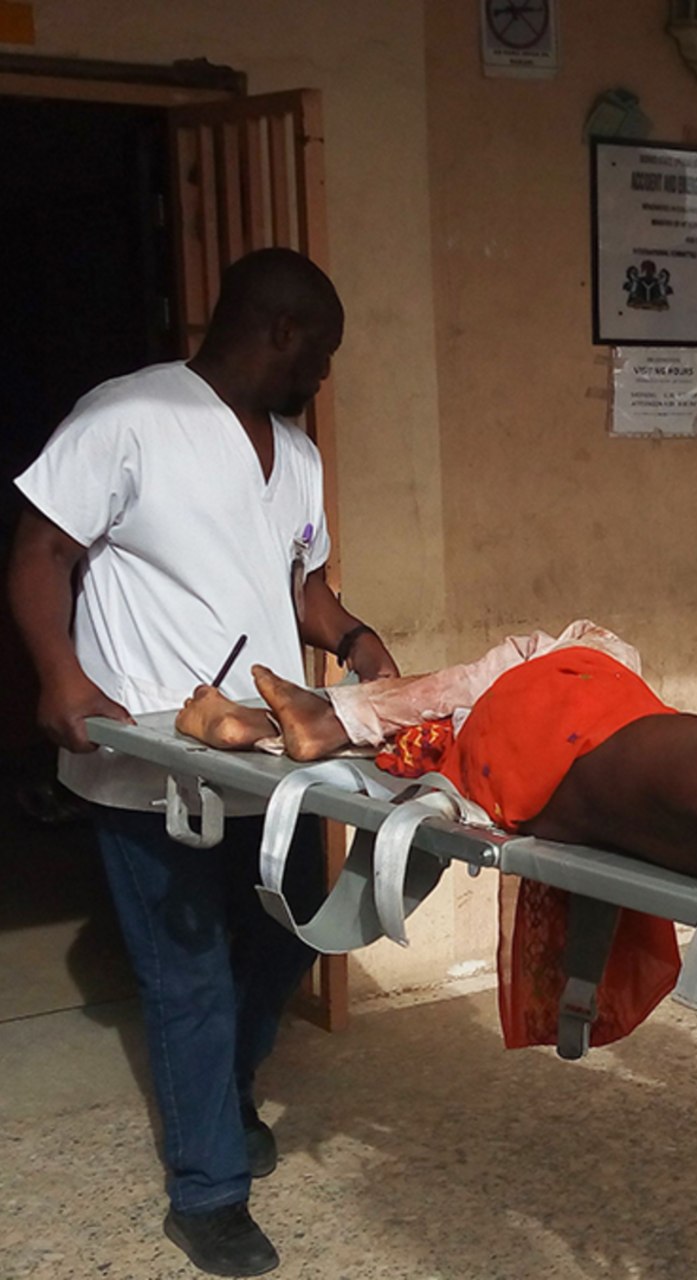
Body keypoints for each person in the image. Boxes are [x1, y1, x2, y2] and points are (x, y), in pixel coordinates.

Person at [7, 248, 397, 1278]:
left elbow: (300, 580)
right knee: (186, 977)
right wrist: (58, 674)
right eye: (322, 353)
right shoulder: (125, 418)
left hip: (267, 767)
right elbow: (41, 550)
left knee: (295, 931)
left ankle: (220, 1089)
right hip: (148, 764)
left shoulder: (297, 453)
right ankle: (209, 1190)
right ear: (281, 332)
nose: (324, 375)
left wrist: (353, 638)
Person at [175, 619, 697, 920]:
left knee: (556, 648)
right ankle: (297, 720)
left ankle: (324, 718)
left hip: (550, 732)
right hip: (523, 799)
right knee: (478, 695)